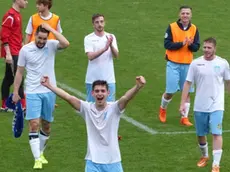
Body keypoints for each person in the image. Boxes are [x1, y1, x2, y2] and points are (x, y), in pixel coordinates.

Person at [41, 75, 146, 172]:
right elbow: (68, 97)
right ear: (93, 93)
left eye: (102, 91)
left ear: (108, 93)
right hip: (92, 162)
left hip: (113, 161)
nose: (100, 93)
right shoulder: (86, 108)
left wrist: (137, 87)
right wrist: (49, 86)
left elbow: (126, 98)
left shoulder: (114, 109)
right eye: (97, 91)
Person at [12, 23, 69, 169]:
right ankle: (37, 158)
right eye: (40, 38)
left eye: (44, 38)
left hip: (49, 91)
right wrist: (16, 91)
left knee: (47, 125)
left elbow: (66, 43)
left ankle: (40, 153)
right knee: (34, 124)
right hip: (32, 91)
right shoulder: (26, 50)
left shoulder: (51, 45)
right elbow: (19, 72)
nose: (42, 41)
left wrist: (51, 30)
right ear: (34, 35)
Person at [180, 37, 230, 172]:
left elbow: (228, 82)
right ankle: (205, 156)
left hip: (217, 106)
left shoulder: (223, 63)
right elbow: (188, 83)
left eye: (209, 48)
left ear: (215, 48)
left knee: (216, 133)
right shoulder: (196, 64)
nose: (206, 50)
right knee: (200, 134)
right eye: (205, 47)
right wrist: (182, 103)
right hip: (200, 106)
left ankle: (216, 165)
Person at [158, 5, 200, 126]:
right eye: (183, 13)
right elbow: (167, 44)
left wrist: (191, 45)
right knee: (170, 91)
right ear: (179, 15)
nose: (185, 15)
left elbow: (196, 47)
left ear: (191, 15)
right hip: (173, 63)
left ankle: (184, 117)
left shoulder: (194, 29)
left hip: (188, 65)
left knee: (186, 92)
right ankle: (163, 109)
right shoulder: (172, 27)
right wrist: (182, 43)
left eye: (187, 13)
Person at [0, 0, 28, 112]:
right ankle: (24, 106)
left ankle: (4, 105)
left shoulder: (17, 15)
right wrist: (8, 54)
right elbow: (3, 35)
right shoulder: (10, 16)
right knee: (19, 77)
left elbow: (16, 34)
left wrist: (22, 47)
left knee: (8, 78)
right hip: (12, 52)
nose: (26, 2)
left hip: (17, 50)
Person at [84, 13, 119, 102]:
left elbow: (116, 55)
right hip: (92, 80)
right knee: (91, 109)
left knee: (110, 109)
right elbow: (90, 56)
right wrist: (104, 49)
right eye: (97, 22)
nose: (99, 24)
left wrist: (111, 45)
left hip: (109, 79)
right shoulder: (88, 38)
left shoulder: (111, 37)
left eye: (101, 22)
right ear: (93, 24)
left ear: (104, 23)